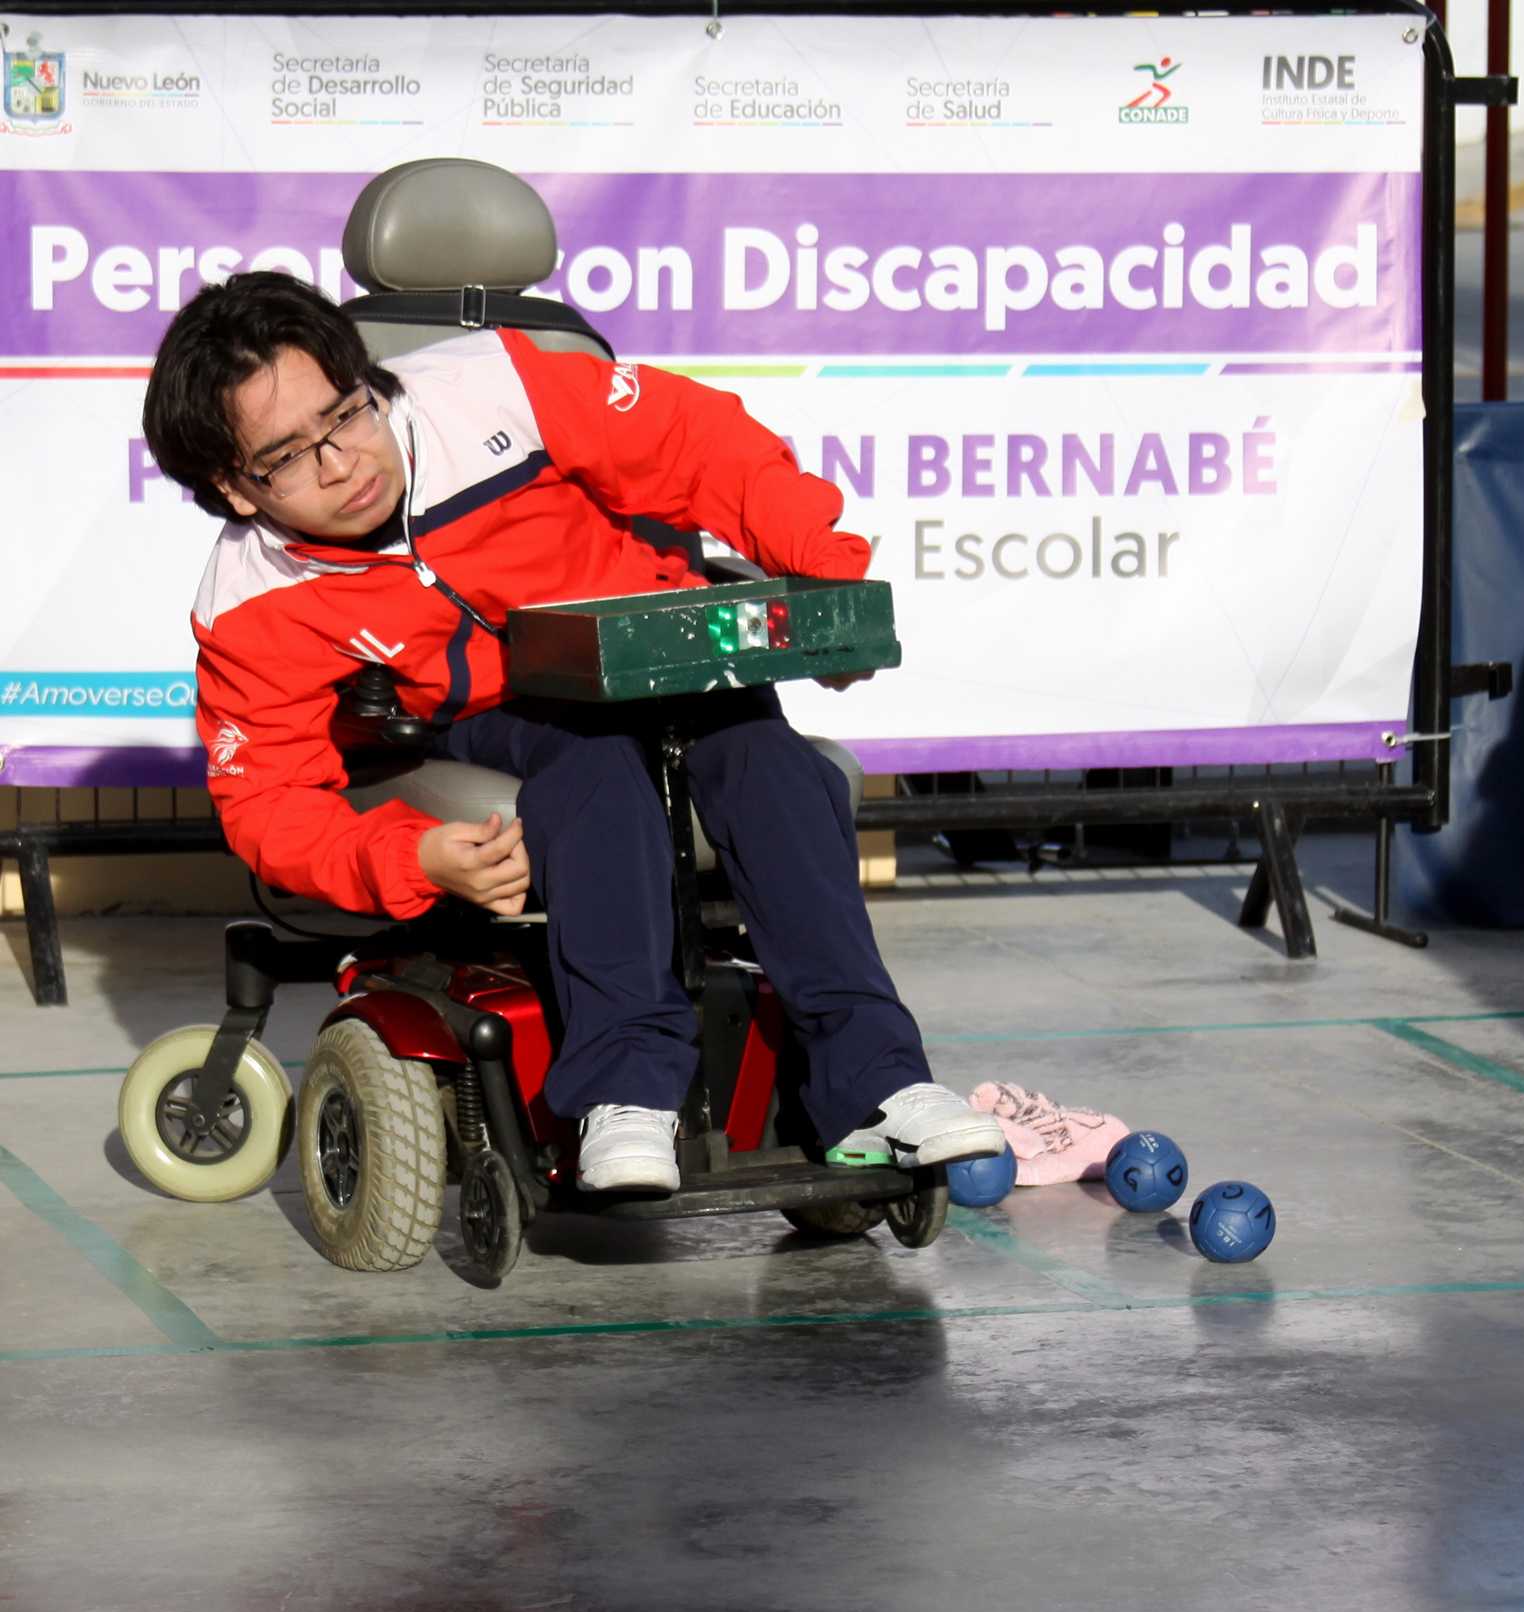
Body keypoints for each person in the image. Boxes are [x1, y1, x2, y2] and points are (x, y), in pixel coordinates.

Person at [142, 270, 1003, 1193]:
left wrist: (825, 575)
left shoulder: (494, 387)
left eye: (345, 415)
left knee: (772, 762)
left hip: (651, 644)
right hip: (504, 712)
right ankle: (624, 1097)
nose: (341, 461)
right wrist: (414, 859)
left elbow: (698, 444)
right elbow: (269, 803)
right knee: (594, 771)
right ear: (234, 488)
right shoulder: (248, 601)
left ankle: (879, 1086)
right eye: (287, 457)